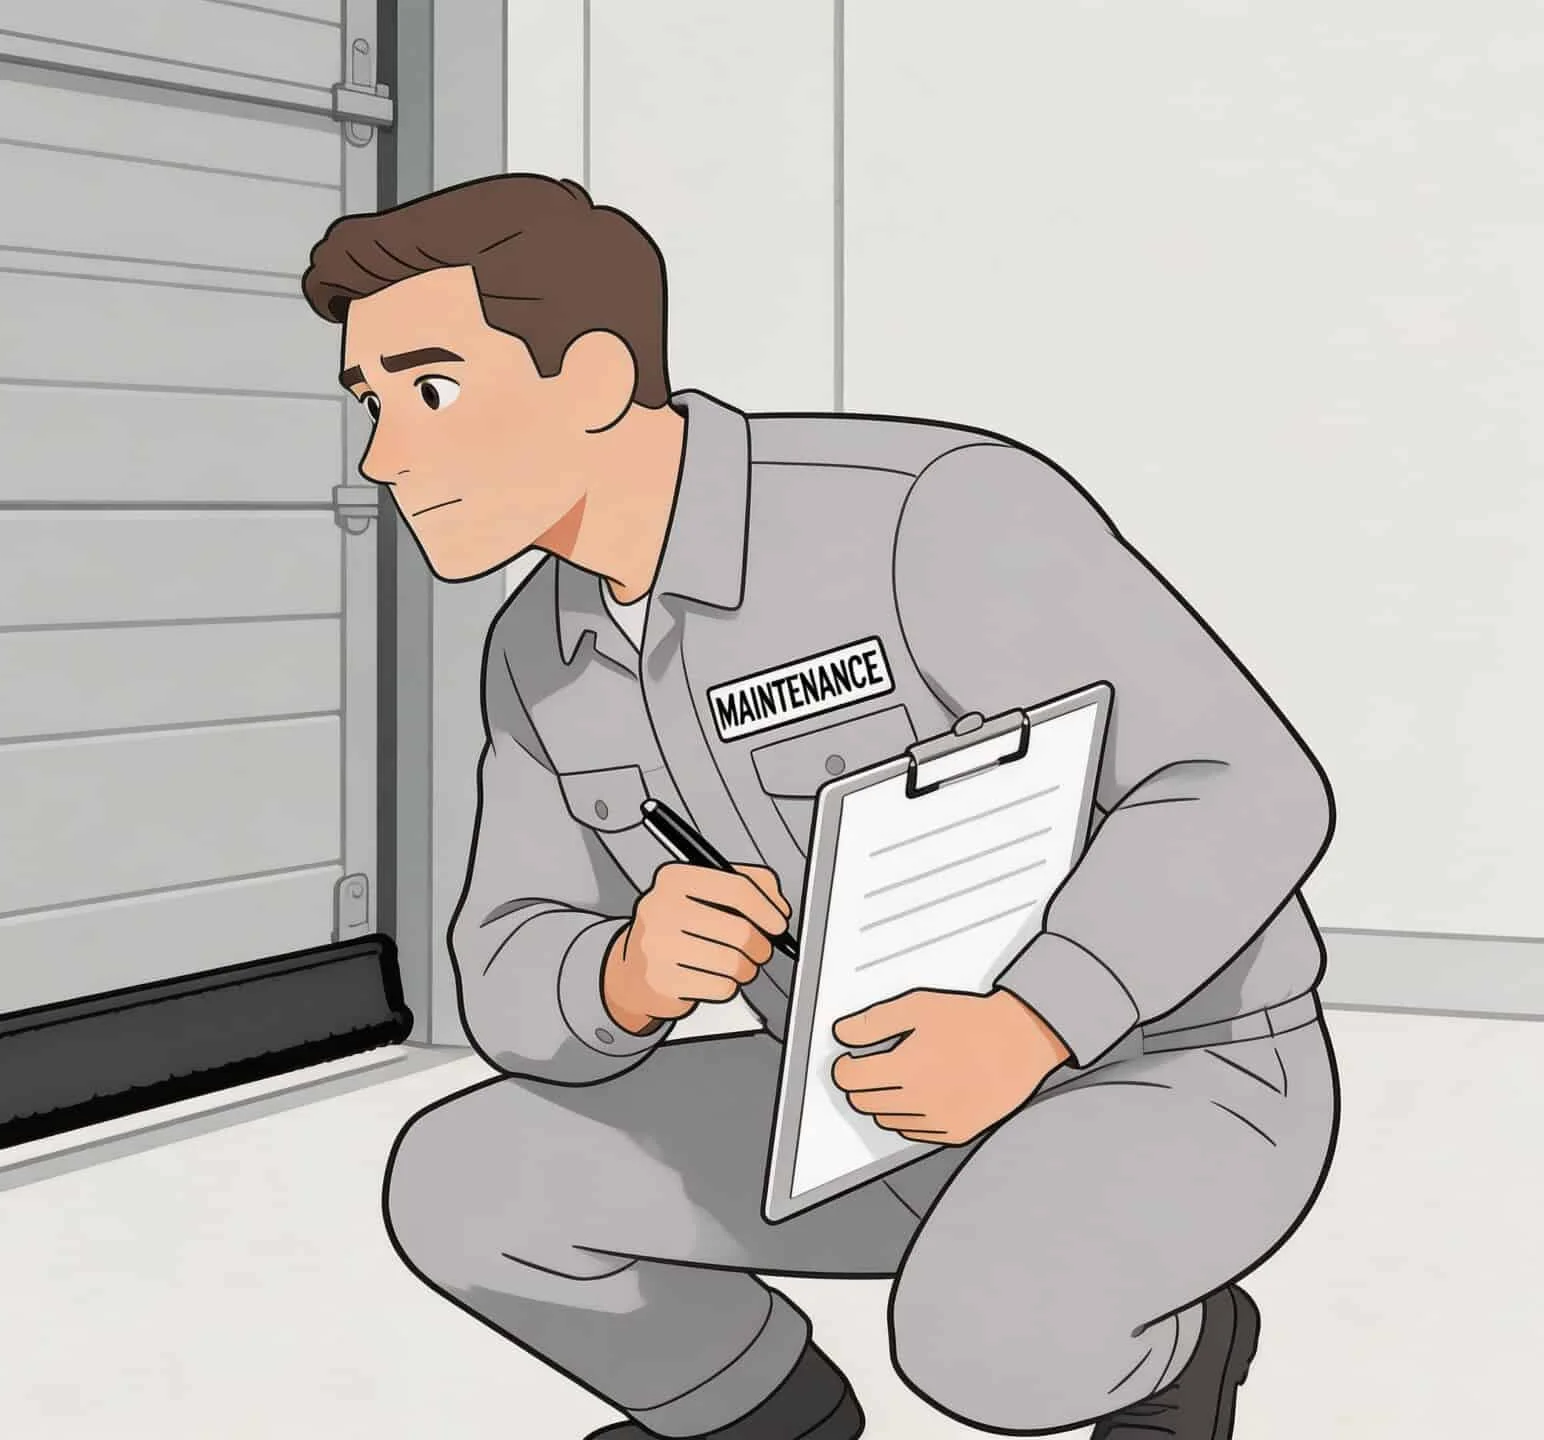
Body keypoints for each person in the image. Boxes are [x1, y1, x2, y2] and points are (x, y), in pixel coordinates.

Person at [300, 174, 1338, 1440]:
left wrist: (1031, 1022)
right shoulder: (539, 648)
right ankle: (763, 1417)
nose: (383, 455)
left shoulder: (923, 510)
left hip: (1171, 1076)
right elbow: (503, 964)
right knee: (462, 1186)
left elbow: (1242, 783)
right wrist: (618, 975)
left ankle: (1174, 1348)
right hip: (850, 1111)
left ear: (587, 378)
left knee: (988, 1350)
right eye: (369, 402)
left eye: (431, 391)